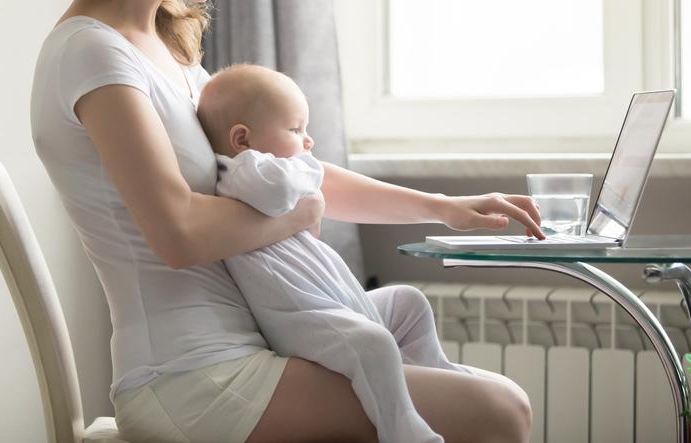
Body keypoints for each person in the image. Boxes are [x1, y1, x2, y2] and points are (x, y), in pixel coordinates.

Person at [31, 0, 542, 443]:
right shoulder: (94, 54)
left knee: (474, 386)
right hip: (187, 378)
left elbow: (279, 171)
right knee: (500, 411)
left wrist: (443, 208)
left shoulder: (165, 49)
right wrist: (298, 217)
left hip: (246, 350)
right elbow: (179, 232)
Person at [198, 62, 485, 443]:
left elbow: (297, 187)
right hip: (298, 317)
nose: (308, 143)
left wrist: (306, 173)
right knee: (373, 343)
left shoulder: (273, 171)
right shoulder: (241, 174)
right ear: (242, 140)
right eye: (295, 129)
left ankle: (434, 371)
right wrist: (311, 175)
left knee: (408, 301)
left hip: (332, 303)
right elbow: (280, 190)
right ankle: (402, 428)